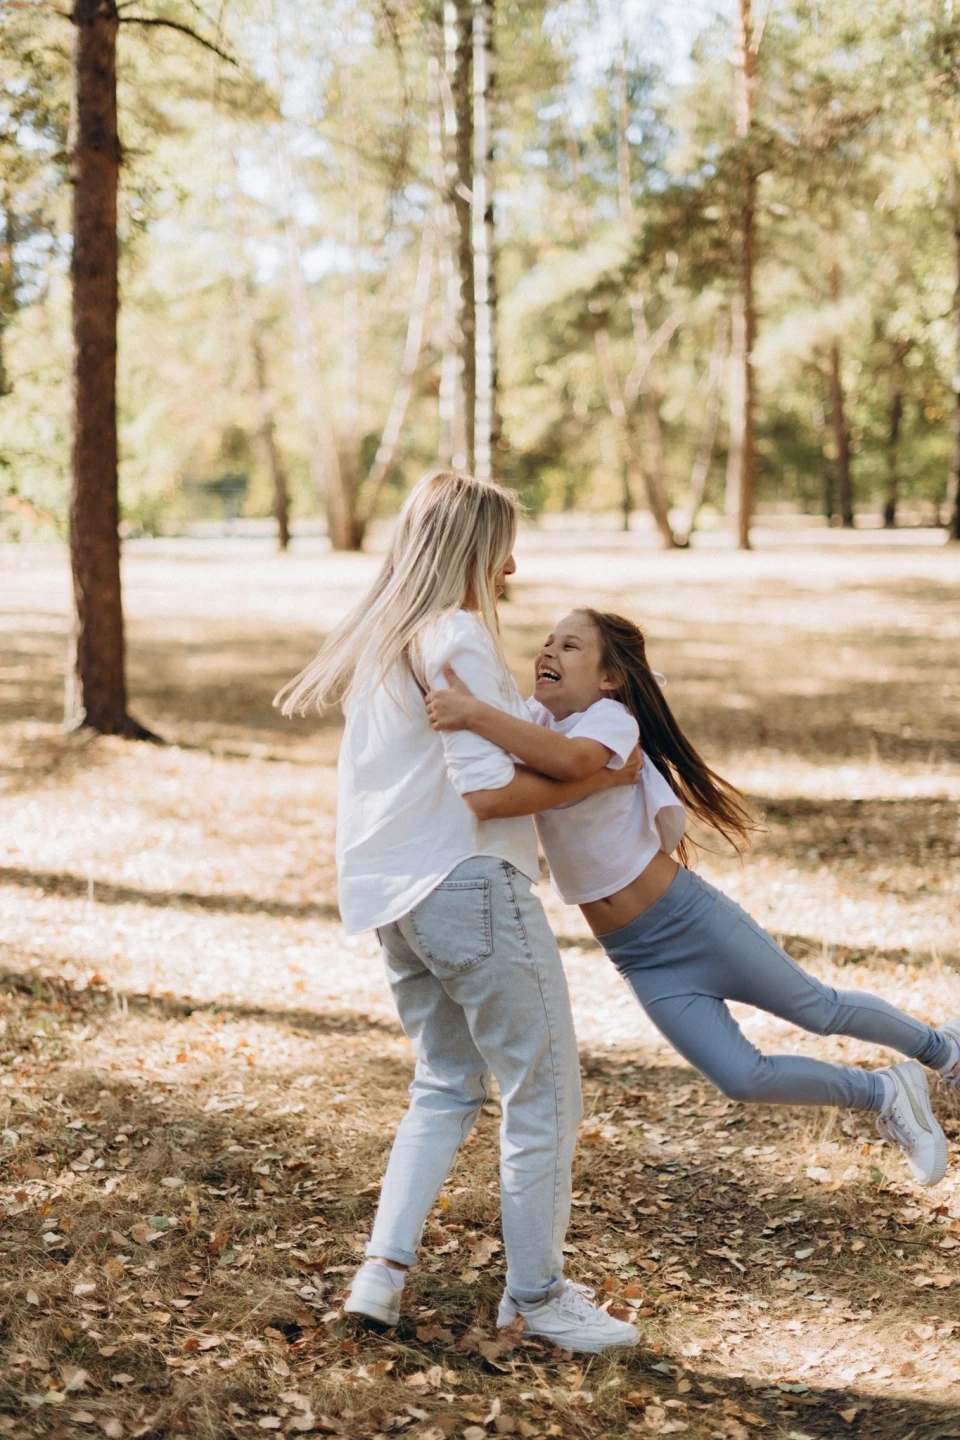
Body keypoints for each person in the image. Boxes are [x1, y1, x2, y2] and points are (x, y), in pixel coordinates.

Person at [277, 474, 641, 1352]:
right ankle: (537, 1297)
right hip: (469, 888)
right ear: (474, 551)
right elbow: (486, 793)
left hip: (398, 901)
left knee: (445, 1086)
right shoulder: (458, 637)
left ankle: (383, 1274)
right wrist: (605, 771)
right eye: (504, 547)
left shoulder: (385, 640)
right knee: (544, 1093)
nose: (514, 567)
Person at [425, 607, 960, 1188]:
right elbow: (514, 784)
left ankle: (943, 1050)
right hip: (636, 955)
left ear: (610, 677)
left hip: (686, 919)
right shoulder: (532, 723)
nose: (548, 653)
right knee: (741, 1078)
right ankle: (884, 1091)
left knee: (817, 1008)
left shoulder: (610, 720)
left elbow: (570, 762)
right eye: (547, 643)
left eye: (571, 646)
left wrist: (475, 714)